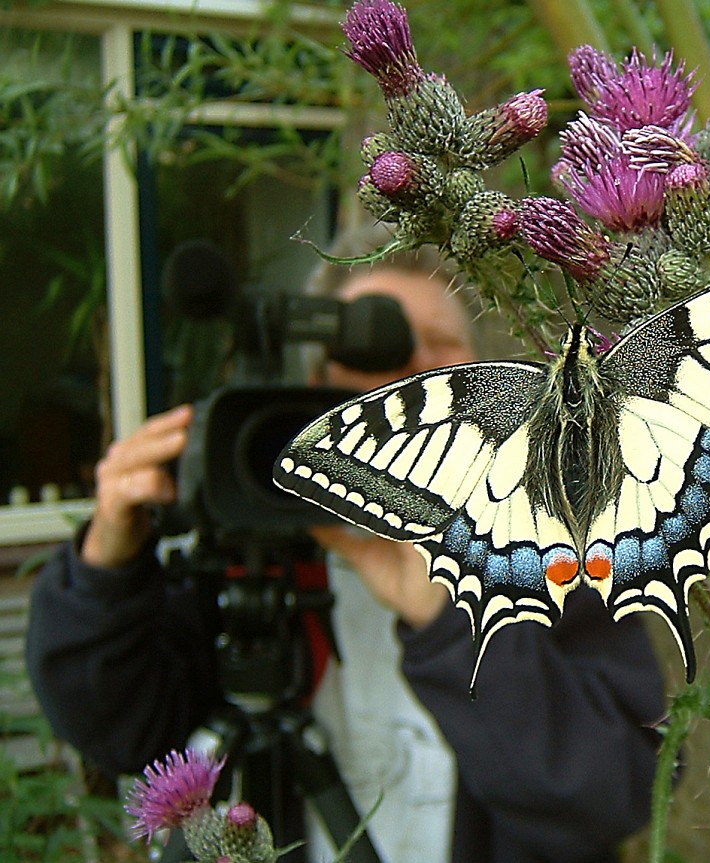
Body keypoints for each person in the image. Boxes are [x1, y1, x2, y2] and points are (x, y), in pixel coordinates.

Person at [25, 230, 666, 863]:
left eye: (443, 349)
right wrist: (107, 564)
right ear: (317, 384)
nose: (417, 375)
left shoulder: (561, 555)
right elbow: (115, 728)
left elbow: (615, 796)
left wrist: (448, 621)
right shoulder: (249, 546)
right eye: (377, 346)